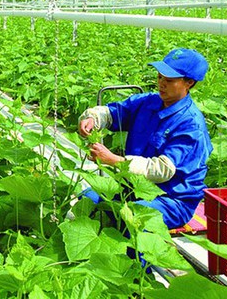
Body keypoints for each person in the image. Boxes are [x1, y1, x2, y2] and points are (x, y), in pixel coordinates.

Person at [78, 48, 213, 229]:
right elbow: (113, 113)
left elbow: (163, 170)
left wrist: (115, 161)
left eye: (169, 80)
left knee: (134, 218)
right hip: (133, 189)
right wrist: (92, 118)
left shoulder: (191, 125)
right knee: (87, 199)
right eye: (159, 77)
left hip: (171, 200)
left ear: (189, 82)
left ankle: (137, 257)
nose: (161, 84)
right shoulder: (148, 102)